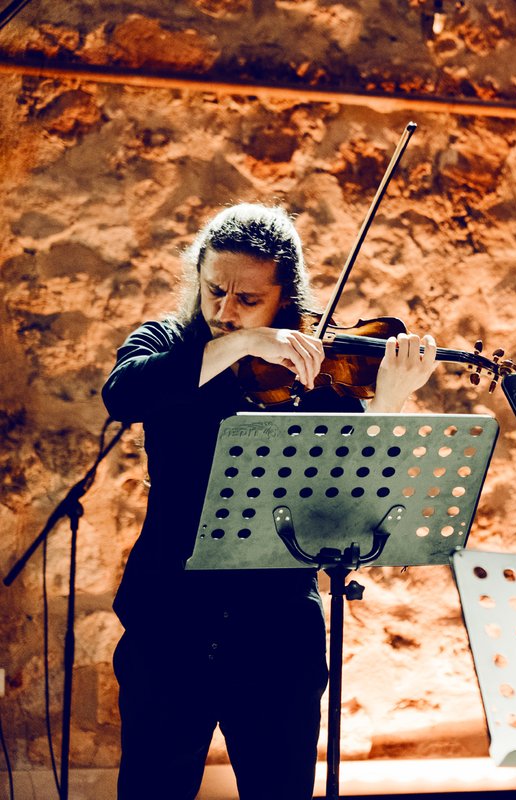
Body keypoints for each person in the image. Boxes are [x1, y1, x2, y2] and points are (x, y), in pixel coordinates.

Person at [102, 204, 439, 799]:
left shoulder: (313, 369)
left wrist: (391, 398)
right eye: (214, 291)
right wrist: (242, 343)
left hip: (277, 632)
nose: (224, 311)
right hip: (169, 621)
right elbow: (125, 393)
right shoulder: (170, 344)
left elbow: (356, 502)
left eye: (248, 301)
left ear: (286, 299)